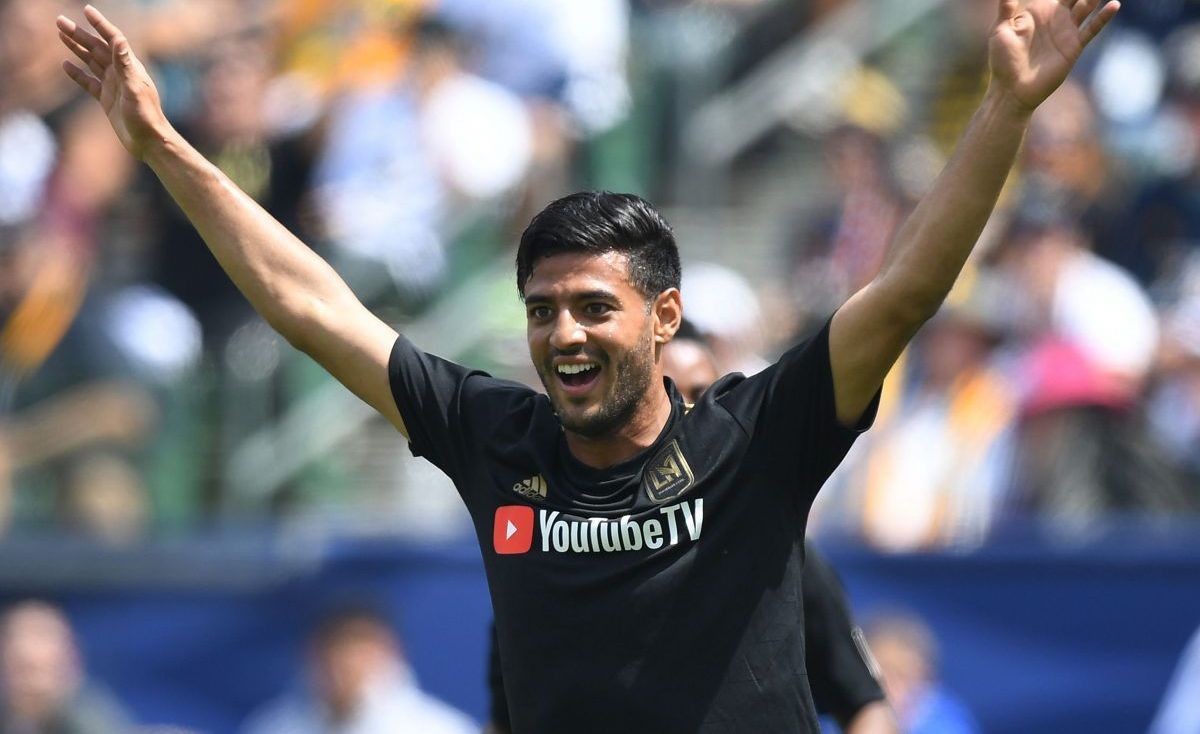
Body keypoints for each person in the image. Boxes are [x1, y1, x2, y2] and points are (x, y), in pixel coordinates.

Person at [55, 1, 1119, 730]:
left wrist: (1006, 108)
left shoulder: (757, 438)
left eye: (595, 307)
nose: (564, 333)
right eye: (542, 310)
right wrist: (163, 145)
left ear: (665, 319)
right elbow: (309, 303)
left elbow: (907, 290)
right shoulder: (493, 436)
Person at [484, 331, 898, 734]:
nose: (686, 414)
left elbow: (865, 705)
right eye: (666, 398)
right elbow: (506, 720)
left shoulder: (780, 554)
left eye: (701, 395)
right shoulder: (549, 566)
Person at [241, 604, 476, 734]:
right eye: (335, 649)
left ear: (392, 652)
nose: (346, 665)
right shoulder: (272, 726)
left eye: (360, 650)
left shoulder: (442, 728)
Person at [0, 600, 134, 734]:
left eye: (37, 669)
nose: (30, 684)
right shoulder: (7, 713)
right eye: (21, 669)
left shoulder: (89, 716)